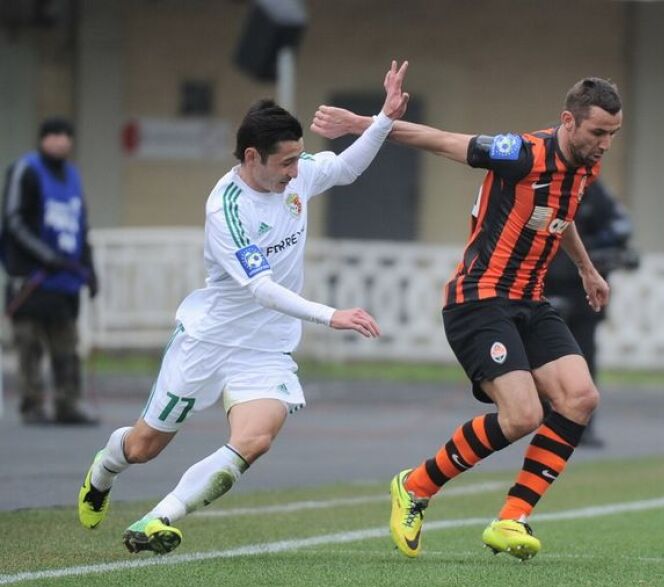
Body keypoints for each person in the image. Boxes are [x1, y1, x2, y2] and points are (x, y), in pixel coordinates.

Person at [77, 60, 410, 555]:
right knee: (144, 446)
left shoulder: (296, 177)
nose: (296, 171)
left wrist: (383, 118)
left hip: (266, 347)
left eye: (298, 159)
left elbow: (343, 168)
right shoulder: (226, 209)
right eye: (286, 163)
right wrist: (330, 315)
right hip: (210, 339)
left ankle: (157, 519)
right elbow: (262, 289)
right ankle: (103, 472)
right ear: (253, 157)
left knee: (256, 439)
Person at [312, 77, 622, 560]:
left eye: (612, 135)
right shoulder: (520, 153)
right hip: (479, 299)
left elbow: (559, 214)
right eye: (598, 132)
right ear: (569, 121)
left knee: (581, 398)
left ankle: (511, 519)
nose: (604, 144)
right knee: (523, 416)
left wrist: (586, 268)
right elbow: (440, 141)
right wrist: (364, 124)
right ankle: (415, 486)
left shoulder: (585, 165)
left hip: (529, 301)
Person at [1, 117, 99, 426]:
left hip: (65, 279)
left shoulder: (73, 176)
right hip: (30, 278)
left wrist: (90, 269)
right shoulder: (26, 169)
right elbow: (13, 220)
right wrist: (45, 256)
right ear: (43, 139)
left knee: (66, 345)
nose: (61, 140)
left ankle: (67, 403)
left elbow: (81, 226)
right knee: (29, 344)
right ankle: (32, 404)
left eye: (66, 135)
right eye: (54, 134)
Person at [544, 180, 639, 447]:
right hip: (545, 290)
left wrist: (598, 250)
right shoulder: (545, 187)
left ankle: (581, 428)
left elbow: (621, 228)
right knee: (545, 361)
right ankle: (548, 422)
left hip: (583, 295)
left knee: (584, 359)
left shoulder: (595, 193)